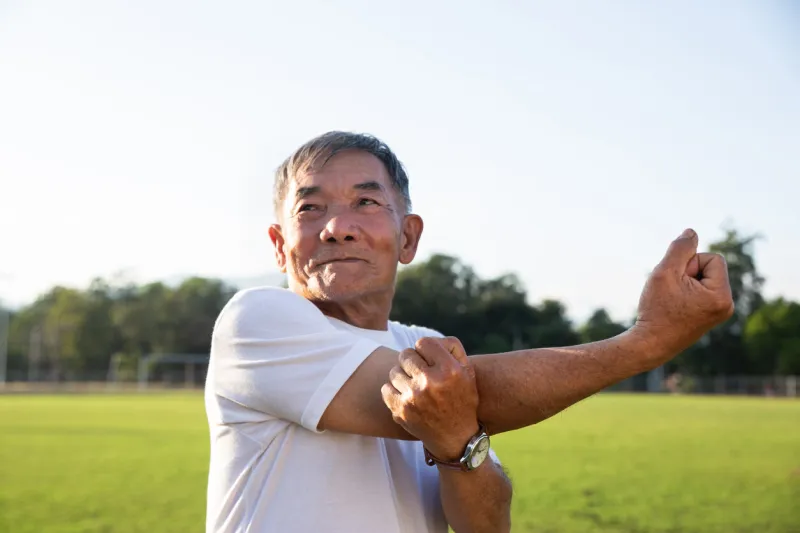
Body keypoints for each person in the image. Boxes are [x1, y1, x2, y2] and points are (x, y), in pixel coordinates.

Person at [204, 131, 734, 533]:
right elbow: (464, 392)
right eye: (309, 207)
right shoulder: (257, 320)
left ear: (408, 237)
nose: (336, 225)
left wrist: (459, 443)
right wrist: (646, 342)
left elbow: (486, 524)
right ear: (279, 245)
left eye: (365, 202)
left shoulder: (424, 342)